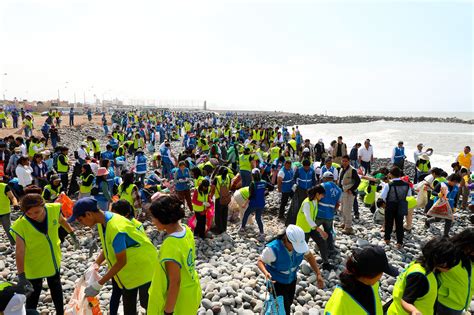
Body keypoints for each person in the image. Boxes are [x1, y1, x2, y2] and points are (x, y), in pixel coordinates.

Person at [68, 197, 157, 314]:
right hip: (129, 273)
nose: (81, 224)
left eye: (80, 220)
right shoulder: (102, 222)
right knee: (128, 305)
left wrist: (99, 284)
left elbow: (121, 261)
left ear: (89, 214)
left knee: (148, 304)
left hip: (145, 268)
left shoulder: (115, 228)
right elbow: (108, 247)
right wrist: (96, 263)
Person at [10, 193, 78, 314]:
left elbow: (62, 221)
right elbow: (19, 251)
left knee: (56, 288)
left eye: (36, 212)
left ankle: (60, 312)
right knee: (33, 294)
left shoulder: (53, 210)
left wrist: (72, 234)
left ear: (44, 205)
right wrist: (21, 276)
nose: (33, 216)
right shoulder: (20, 225)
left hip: (52, 259)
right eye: (29, 213)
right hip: (34, 264)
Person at [147, 194, 202, 315]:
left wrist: (168, 312)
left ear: (163, 218)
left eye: (154, 217)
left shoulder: (170, 245)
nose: (153, 222)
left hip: (179, 301)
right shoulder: (186, 230)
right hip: (192, 290)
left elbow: (175, 282)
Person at [257, 225, 324, 315]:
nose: (297, 249)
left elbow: (310, 256)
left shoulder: (300, 244)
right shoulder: (272, 249)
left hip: (291, 280)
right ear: (286, 239)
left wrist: (318, 274)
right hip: (276, 282)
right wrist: (266, 273)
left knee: (288, 302)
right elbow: (260, 261)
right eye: (294, 245)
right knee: (283, 309)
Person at [387, 237, 459, 315]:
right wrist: (414, 311)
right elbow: (405, 301)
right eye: (450, 263)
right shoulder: (419, 277)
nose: (452, 267)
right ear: (439, 260)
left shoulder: (419, 265)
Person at [324, 245, 398, 315]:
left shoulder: (372, 284)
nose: (381, 276)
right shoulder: (340, 300)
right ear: (371, 274)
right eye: (382, 272)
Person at [434, 229, 474, 315]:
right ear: (467, 243)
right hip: (444, 301)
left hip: (461, 303)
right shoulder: (450, 254)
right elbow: (430, 265)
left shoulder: (471, 259)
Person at [295, 185, 335, 270]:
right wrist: (320, 230)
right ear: (317, 194)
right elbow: (308, 218)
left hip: (311, 228)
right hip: (303, 229)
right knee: (300, 249)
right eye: (322, 195)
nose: (323, 196)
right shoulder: (307, 203)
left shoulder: (315, 201)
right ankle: (295, 265)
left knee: (322, 242)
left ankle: (326, 263)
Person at [379, 166, 411, 248]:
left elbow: (382, 196)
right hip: (401, 205)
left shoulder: (388, 185)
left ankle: (387, 239)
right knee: (399, 224)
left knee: (388, 222)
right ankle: (399, 242)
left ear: (390, 174)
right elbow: (409, 195)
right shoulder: (407, 185)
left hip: (390, 205)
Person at [240, 168, 273, 241]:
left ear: (253, 176)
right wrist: (265, 192)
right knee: (258, 218)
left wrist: (245, 204)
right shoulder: (264, 182)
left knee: (246, 214)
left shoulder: (253, 183)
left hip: (253, 204)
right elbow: (272, 187)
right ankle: (261, 233)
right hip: (261, 203)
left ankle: (242, 228)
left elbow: (251, 195)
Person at [317, 171, 342, 257]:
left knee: (312, 230)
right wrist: (333, 211)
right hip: (329, 215)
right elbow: (338, 204)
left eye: (323, 179)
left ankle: (320, 247)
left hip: (320, 213)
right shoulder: (339, 190)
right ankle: (331, 249)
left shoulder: (323, 185)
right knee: (329, 231)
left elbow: (316, 198)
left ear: (325, 178)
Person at [287, 159, 317, 225]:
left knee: (308, 203)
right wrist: (294, 184)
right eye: (305, 167)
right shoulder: (299, 170)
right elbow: (294, 178)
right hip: (301, 189)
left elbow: (314, 180)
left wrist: (314, 188)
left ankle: (307, 218)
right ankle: (298, 218)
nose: (306, 168)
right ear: (303, 166)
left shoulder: (312, 170)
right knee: (300, 204)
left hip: (309, 190)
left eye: (308, 166)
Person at [338, 155, 361, 235]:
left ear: (349, 161)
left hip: (349, 192)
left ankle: (348, 227)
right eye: (343, 161)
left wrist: (351, 189)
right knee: (342, 209)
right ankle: (344, 223)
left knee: (347, 210)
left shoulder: (352, 170)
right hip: (343, 191)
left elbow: (358, 181)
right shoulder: (342, 169)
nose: (344, 162)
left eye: (346, 161)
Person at [211, 166, 232, 234]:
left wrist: (211, 196)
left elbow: (213, 189)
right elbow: (229, 187)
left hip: (218, 198)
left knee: (218, 214)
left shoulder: (217, 178)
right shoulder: (228, 178)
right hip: (226, 198)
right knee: (224, 213)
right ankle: (224, 228)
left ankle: (219, 229)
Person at [0, 177, 19, 247]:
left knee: (8, 230)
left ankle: (14, 245)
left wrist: (15, 204)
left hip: (4, 212)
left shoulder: (4, 186)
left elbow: (12, 197)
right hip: (4, 211)